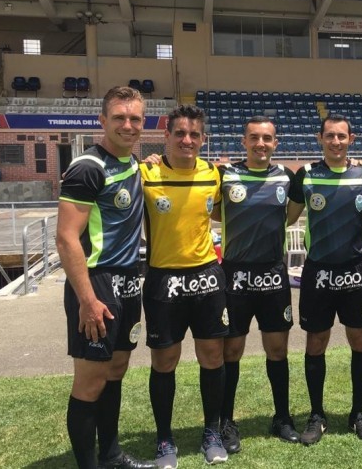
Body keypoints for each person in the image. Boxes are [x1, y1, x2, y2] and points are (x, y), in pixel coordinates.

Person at [57, 86, 156, 469]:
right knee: (90, 380)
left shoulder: (134, 163)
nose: (128, 125)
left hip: (129, 282)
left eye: (135, 119)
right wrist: (86, 299)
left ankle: (111, 454)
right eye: (119, 118)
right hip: (96, 284)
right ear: (102, 121)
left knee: (116, 369)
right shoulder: (88, 167)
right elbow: (66, 238)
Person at [140, 104, 229, 467]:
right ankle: (164, 440)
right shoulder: (146, 173)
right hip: (163, 279)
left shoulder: (214, 175)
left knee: (212, 357)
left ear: (203, 139)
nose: (187, 140)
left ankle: (212, 431)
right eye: (180, 133)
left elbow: (228, 210)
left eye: (194, 134)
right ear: (167, 136)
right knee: (165, 361)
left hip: (207, 276)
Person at [287, 113, 362, 445]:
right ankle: (317, 414)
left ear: (351, 139)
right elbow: (287, 217)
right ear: (320, 138)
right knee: (316, 343)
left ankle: (358, 414)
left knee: (360, 340)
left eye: (342, 136)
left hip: (355, 271)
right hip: (318, 272)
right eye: (330, 136)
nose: (336, 142)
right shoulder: (307, 175)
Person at [214, 115, 300, 453]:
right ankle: (226, 421)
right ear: (244, 142)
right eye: (254, 138)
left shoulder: (286, 177)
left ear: (275, 143)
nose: (260, 144)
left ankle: (282, 417)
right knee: (231, 350)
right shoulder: (224, 175)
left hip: (273, 275)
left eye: (267, 138)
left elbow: (291, 215)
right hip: (234, 275)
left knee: (277, 349)